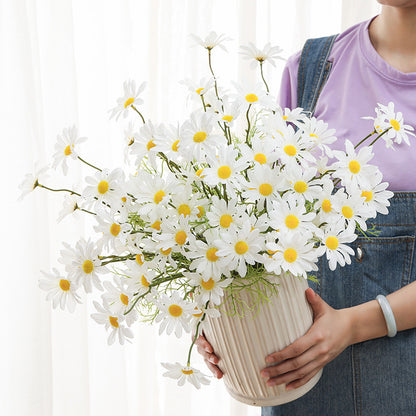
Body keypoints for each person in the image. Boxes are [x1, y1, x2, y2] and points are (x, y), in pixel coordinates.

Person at [196, 1, 416, 414]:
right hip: (299, 386)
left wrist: (352, 325)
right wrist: (223, 323)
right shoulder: (312, 68)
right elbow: (264, 226)